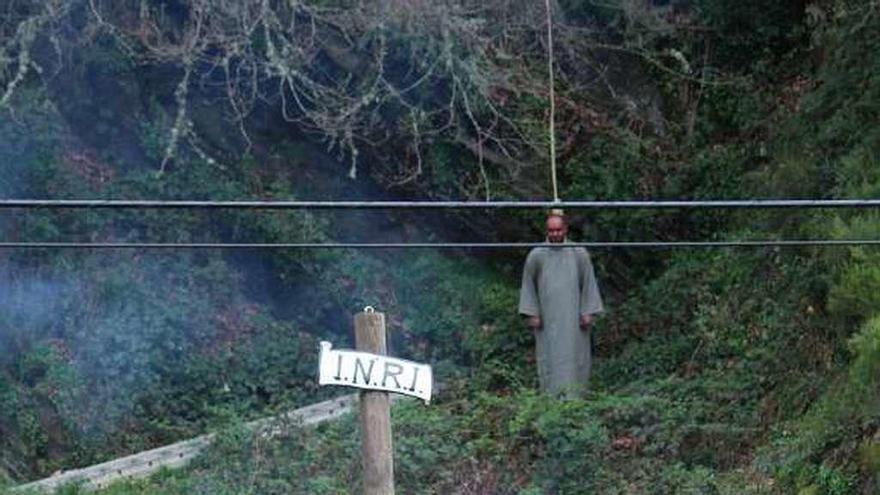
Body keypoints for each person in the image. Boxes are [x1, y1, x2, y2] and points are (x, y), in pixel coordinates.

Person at [518, 210, 604, 399]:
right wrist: (532, 313)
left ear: (565, 229)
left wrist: (588, 311)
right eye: (551, 230)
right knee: (549, 359)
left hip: (574, 320)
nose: (555, 234)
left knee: (577, 358)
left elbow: (588, 282)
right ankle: (551, 398)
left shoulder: (579, 253)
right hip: (548, 320)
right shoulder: (536, 255)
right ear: (546, 231)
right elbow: (528, 285)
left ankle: (576, 398)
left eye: (558, 230)